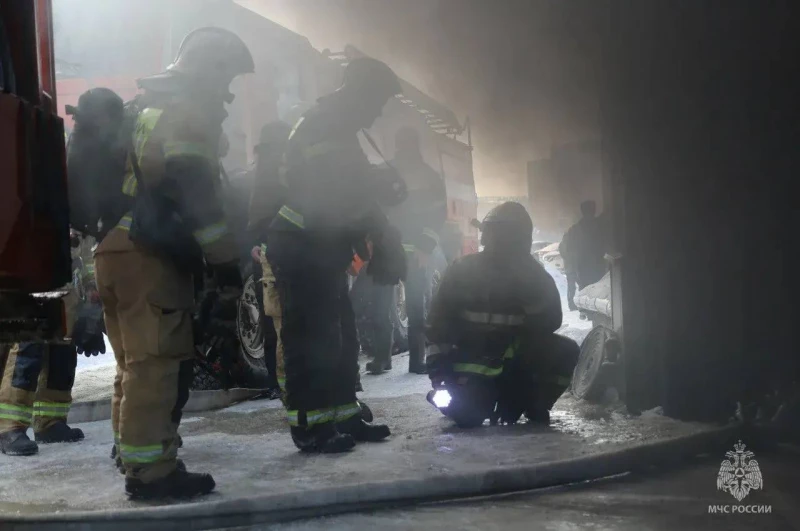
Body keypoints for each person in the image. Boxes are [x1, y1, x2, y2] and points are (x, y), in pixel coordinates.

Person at [94, 27, 253, 499]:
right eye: (226, 79)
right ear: (210, 71)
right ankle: (151, 475)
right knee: (156, 366)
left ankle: (135, 455)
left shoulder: (144, 108)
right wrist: (225, 262)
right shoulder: (187, 113)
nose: (227, 93)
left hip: (116, 246)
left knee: (134, 364)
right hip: (150, 255)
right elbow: (194, 190)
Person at [265, 57, 406, 453]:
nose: (378, 113)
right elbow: (336, 190)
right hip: (302, 246)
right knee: (311, 339)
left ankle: (344, 415)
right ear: (362, 94)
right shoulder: (324, 123)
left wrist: (377, 199)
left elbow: (350, 189)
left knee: (340, 336)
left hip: (320, 247)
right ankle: (310, 427)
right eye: (378, 102)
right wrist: (381, 223)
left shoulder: (338, 126)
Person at [425, 202, 580, 428]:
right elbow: (437, 328)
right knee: (468, 418)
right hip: (472, 374)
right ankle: (462, 403)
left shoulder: (533, 276)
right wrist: (440, 379)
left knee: (566, 349)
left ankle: (534, 404)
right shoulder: (463, 271)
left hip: (513, 372)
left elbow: (551, 321)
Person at [0, 232, 104, 456]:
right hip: (31, 282)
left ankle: (49, 423)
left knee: (62, 357)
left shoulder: (75, 214)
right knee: (27, 354)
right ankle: (10, 428)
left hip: (67, 291)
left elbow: (85, 250)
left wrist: (90, 285)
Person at [363, 126, 447, 375]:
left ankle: (417, 360)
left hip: (414, 252)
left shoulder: (428, 177)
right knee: (381, 307)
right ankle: (383, 357)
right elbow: (372, 208)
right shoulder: (386, 172)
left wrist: (425, 247)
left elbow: (437, 215)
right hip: (386, 250)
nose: (404, 149)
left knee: (415, 308)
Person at [559, 200, 607, 311]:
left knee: (589, 290)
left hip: (587, 266)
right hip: (591, 266)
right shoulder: (599, 226)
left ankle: (586, 311)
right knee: (594, 291)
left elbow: (566, 249)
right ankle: (586, 311)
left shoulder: (575, 229)